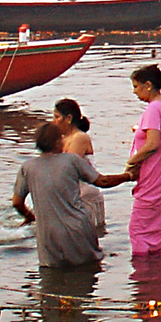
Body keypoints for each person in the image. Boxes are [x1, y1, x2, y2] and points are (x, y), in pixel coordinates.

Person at [13, 122, 130, 268]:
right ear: (57, 142)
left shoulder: (27, 167)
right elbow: (103, 181)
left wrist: (29, 216)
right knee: (89, 272)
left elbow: (17, 202)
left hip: (48, 238)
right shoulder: (72, 161)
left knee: (51, 279)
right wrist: (128, 176)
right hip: (78, 230)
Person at [126, 65, 161, 256]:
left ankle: (144, 277)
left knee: (138, 229)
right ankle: (159, 275)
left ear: (148, 85)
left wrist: (131, 162)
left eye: (136, 86)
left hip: (155, 176)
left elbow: (152, 144)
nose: (134, 91)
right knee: (156, 230)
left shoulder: (154, 108)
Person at [52, 98, 105, 234]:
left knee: (86, 238)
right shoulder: (62, 139)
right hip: (70, 197)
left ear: (68, 118)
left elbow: (66, 167)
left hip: (85, 197)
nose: (53, 122)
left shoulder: (79, 138)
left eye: (57, 117)